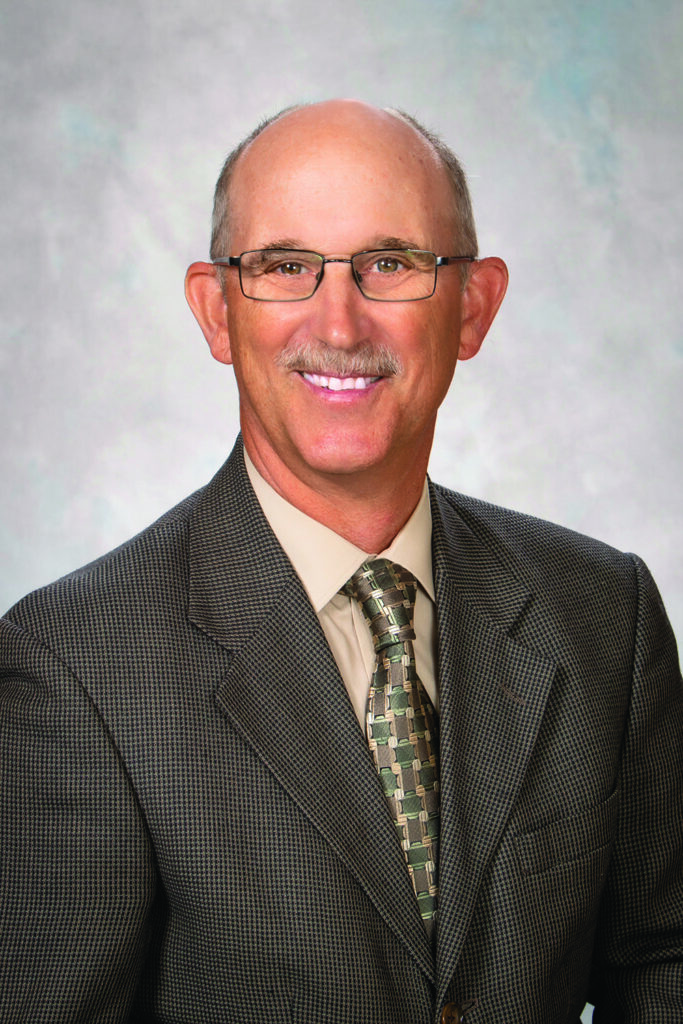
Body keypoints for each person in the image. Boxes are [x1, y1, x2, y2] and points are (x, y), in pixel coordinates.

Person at [1, 99, 681, 1024]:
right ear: (215, 311)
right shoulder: (75, 665)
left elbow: (661, 958)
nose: (340, 323)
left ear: (472, 306)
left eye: (390, 263)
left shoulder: (604, 611)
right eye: (284, 266)